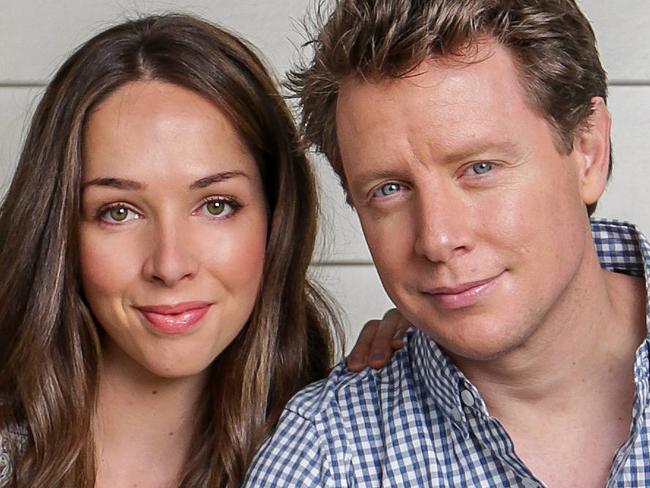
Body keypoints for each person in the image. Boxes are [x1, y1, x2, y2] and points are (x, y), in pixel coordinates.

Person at [245, 0, 650, 486]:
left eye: (479, 168)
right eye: (388, 189)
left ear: (588, 152)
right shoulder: (323, 461)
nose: (437, 239)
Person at [0, 13, 395, 487]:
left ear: (277, 220)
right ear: (59, 229)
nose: (170, 265)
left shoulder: (340, 452)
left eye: (216, 205)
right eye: (119, 211)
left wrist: (432, 347)